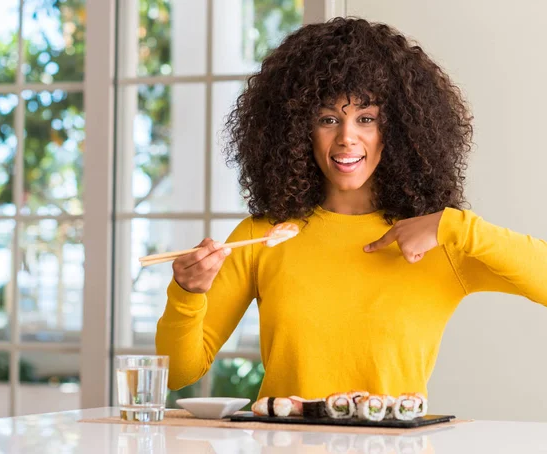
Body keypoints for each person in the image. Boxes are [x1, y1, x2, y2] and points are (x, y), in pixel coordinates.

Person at [155, 17, 547, 399]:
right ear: (298, 129)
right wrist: (188, 293)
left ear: (397, 131)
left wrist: (456, 226)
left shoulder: (440, 239)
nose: (347, 137)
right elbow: (177, 373)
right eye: (328, 119)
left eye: (367, 119)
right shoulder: (263, 236)